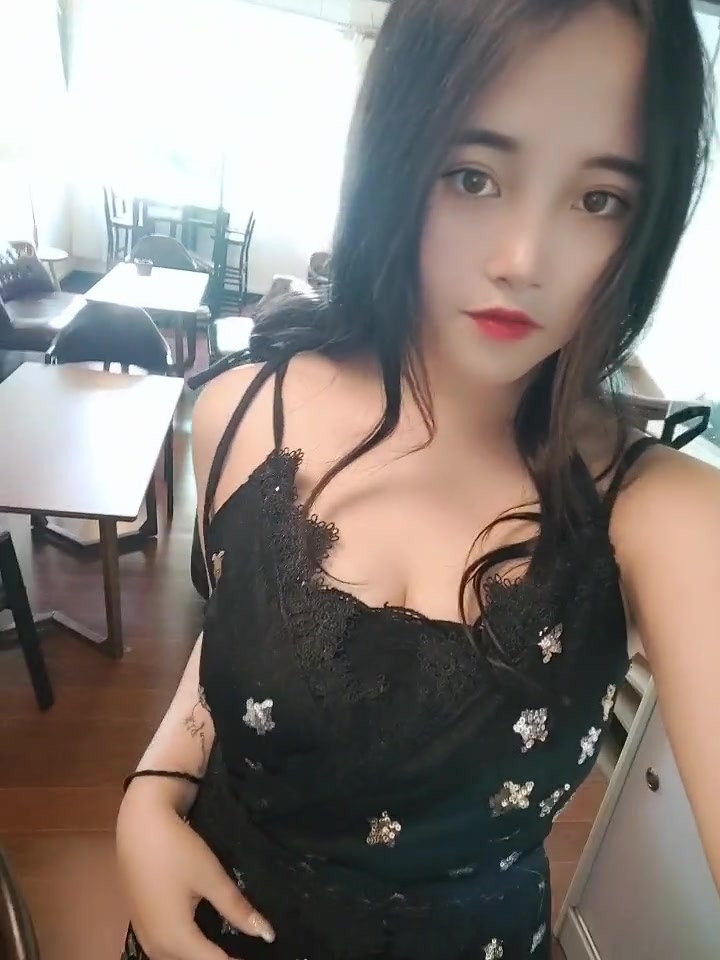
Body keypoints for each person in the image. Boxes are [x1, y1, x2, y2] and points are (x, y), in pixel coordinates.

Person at [116, 1, 720, 958]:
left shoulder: (666, 517)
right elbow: (239, 636)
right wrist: (153, 792)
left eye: (599, 199)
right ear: (397, 160)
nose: (523, 260)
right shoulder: (242, 412)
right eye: (474, 176)